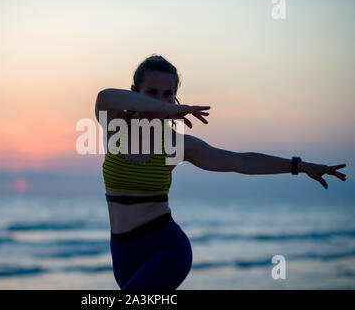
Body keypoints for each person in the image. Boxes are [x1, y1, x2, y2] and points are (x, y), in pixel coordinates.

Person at [94, 54, 347, 290]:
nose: (161, 101)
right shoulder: (116, 127)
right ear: (134, 93)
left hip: (165, 248)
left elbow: (241, 162)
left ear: (176, 98)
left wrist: (298, 165)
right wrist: (169, 110)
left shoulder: (177, 144)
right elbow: (105, 96)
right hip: (122, 252)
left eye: (168, 94)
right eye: (152, 92)